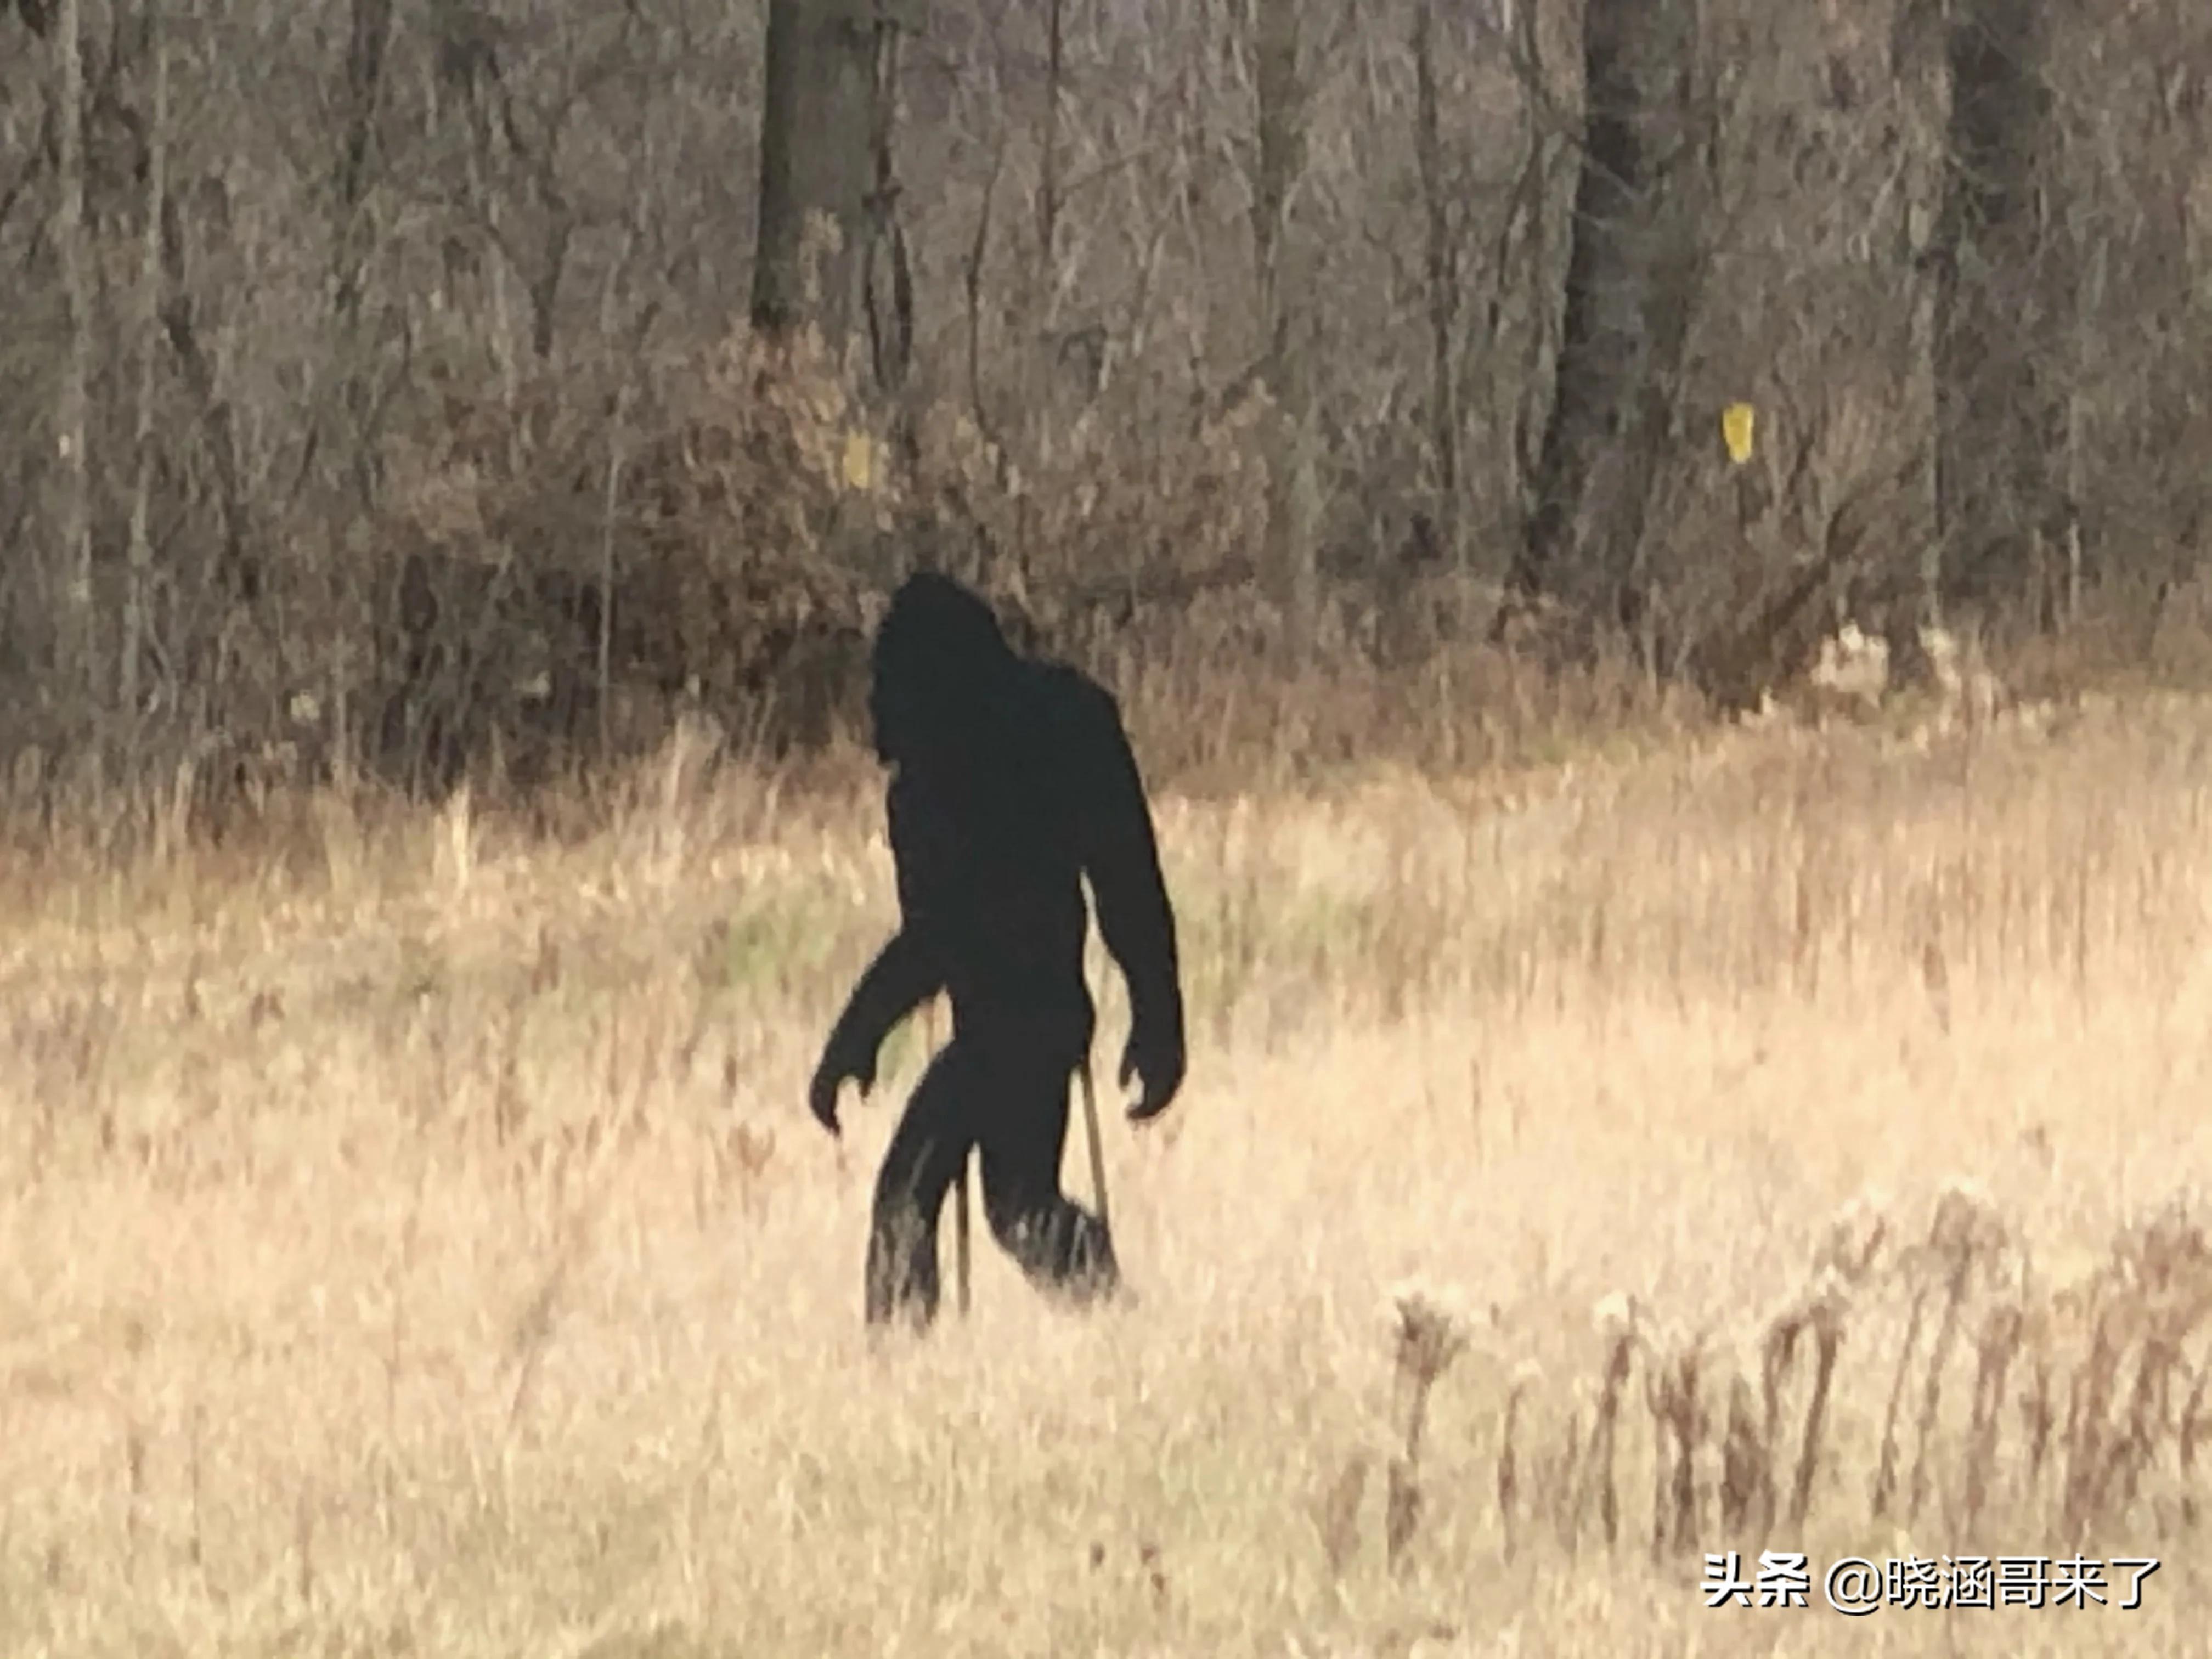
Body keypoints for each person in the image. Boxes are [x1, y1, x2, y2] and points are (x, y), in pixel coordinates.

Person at [808, 572, 1186, 1329]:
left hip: (1019, 1023)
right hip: (1026, 1020)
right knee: (1014, 1204)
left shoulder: (985, 756)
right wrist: (1156, 1014)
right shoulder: (1057, 723)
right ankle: (1118, 1324)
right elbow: (1123, 887)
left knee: (917, 1191)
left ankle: (905, 1373)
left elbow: (941, 937)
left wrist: (857, 1035)